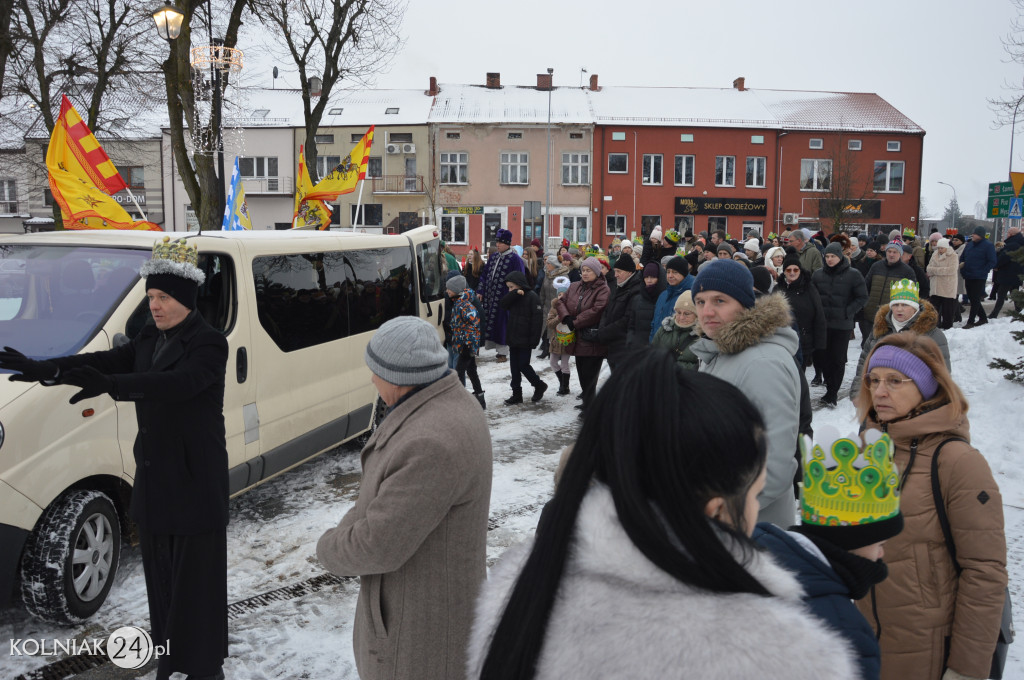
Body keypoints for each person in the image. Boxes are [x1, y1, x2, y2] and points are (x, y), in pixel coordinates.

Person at [467, 353, 858, 680]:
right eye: (756, 494)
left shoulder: (520, 584)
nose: (758, 508)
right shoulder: (779, 654)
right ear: (717, 511)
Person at [0, 237, 230, 680]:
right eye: (151, 297)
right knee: (160, 584)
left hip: (195, 482)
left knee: (195, 586)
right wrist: (47, 368)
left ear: (185, 298)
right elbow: (105, 358)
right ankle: (170, 658)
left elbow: (179, 384)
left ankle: (204, 668)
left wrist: (114, 386)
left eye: (163, 297)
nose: (156, 305)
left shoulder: (209, 344)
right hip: (155, 478)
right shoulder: (150, 336)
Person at [317, 316, 493, 680]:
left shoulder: (431, 443)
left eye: (374, 370)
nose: (371, 378)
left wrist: (328, 547)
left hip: (419, 631)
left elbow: (378, 545)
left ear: (398, 377)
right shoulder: (443, 405)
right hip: (422, 612)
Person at [853, 333, 1007, 680]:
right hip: (868, 640)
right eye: (873, 380)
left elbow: (985, 572)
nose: (879, 392)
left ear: (927, 387)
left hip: (930, 649)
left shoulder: (957, 461)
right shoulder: (870, 450)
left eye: (894, 381)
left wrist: (966, 669)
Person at [754, 426, 905, 680]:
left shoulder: (757, 548)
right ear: (854, 539)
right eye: (880, 543)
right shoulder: (846, 635)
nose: (881, 555)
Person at [690, 260, 802, 527]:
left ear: (744, 304)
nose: (706, 312)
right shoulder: (721, 352)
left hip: (752, 528)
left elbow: (775, 465)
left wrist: (719, 511)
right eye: (700, 301)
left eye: (719, 301)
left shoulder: (762, 362)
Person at [850, 279, 950, 401]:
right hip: (878, 398)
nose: (899, 309)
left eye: (905, 305)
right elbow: (865, 360)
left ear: (915, 308)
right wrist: (858, 392)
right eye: (896, 305)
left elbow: (942, 372)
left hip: (913, 401)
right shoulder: (881, 328)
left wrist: (934, 402)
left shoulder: (931, 334)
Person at [811, 242, 867, 407]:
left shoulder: (853, 275)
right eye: (827, 256)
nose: (829, 259)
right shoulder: (818, 275)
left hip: (842, 326)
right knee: (823, 358)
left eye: (833, 256)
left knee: (837, 359)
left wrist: (847, 312)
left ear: (840, 256)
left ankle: (832, 393)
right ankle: (829, 386)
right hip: (823, 325)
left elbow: (862, 297)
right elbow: (813, 297)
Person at [554, 257, 609, 415]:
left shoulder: (603, 289)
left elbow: (597, 310)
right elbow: (560, 302)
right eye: (583, 270)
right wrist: (566, 318)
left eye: (588, 271)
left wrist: (575, 322)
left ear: (597, 272)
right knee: (581, 372)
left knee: (590, 374)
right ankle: (587, 402)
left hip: (592, 338)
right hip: (577, 337)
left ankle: (590, 406)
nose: (585, 273)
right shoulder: (574, 286)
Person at [499, 271, 547, 404]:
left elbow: (537, 321)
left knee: (523, 365)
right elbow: (503, 304)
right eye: (508, 287)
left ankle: (538, 385)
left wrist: (534, 340)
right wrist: (513, 293)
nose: (509, 290)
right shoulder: (513, 297)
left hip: (526, 339)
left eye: (512, 287)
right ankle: (516, 394)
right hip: (513, 337)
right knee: (514, 367)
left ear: (520, 284)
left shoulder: (532, 297)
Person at [478, 229, 526, 362]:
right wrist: (481, 290)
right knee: (491, 322)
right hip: (490, 297)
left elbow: (520, 279)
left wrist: (514, 295)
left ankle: (502, 353)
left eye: (500, 242)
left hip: (505, 299)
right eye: (497, 242)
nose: (497, 245)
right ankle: (491, 346)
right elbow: (484, 275)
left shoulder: (515, 260)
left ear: (507, 243)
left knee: (503, 324)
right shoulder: (493, 257)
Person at [776, 254, 826, 371]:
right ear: (784, 272)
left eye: (795, 270)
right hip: (782, 341)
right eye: (788, 270)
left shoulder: (809, 289)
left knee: (799, 374)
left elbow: (819, 315)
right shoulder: (778, 289)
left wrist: (819, 343)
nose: (792, 273)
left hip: (804, 340)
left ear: (800, 270)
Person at [446, 275, 486, 409]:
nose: (447, 291)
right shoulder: (459, 302)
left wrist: (468, 345)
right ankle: (480, 398)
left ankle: (460, 401)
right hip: (463, 343)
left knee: (459, 372)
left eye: (449, 289)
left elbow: (473, 326)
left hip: (467, 345)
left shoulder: (465, 305)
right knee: (472, 371)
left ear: (457, 290)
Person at [597, 254, 643, 367]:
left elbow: (627, 320)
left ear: (629, 272)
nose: (615, 275)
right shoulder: (620, 286)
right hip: (613, 346)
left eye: (619, 271)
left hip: (624, 348)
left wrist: (605, 332)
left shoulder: (636, 290)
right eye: (615, 271)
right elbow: (607, 310)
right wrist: (602, 328)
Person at [862, 241, 916, 338]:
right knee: (867, 344)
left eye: (895, 252)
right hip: (870, 314)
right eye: (889, 251)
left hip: (890, 316)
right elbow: (865, 287)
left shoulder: (907, 271)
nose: (891, 254)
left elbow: (912, 295)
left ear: (900, 254)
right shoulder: (876, 266)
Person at [651, 290, 701, 370]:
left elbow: (700, 368)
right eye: (678, 312)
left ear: (697, 315)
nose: (681, 317)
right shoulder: (664, 330)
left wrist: (672, 368)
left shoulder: (702, 337)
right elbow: (651, 356)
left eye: (686, 314)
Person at [649, 255, 693, 342]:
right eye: (668, 272)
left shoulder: (690, 296)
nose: (670, 275)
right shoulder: (663, 295)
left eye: (675, 272)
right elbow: (654, 323)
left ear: (684, 274)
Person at [960, 226, 996, 328]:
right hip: (968, 274)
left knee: (975, 299)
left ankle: (970, 321)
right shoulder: (969, 244)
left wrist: (983, 271)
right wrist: (963, 270)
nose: (973, 235)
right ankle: (983, 318)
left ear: (980, 235)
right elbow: (962, 258)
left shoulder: (988, 245)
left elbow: (992, 261)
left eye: (975, 234)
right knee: (972, 298)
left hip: (979, 276)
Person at [545, 275, 575, 396]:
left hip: (567, 339)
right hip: (556, 340)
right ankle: (562, 382)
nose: (561, 297)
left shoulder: (572, 308)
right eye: (559, 295)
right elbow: (549, 324)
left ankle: (565, 387)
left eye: (563, 294)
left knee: (564, 364)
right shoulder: (554, 308)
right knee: (553, 362)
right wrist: (558, 317)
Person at [537, 254, 569, 359]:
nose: (546, 265)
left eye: (548, 264)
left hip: (557, 307)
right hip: (546, 306)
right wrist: (540, 303)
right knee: (545, 330)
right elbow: (542, 290)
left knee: (555, 330)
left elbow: (566, 294)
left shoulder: (562, 276)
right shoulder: (547, 274)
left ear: (554, 265)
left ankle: (556, 352)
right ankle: (546, 349)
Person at [626, 261, 665, 347]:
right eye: (646, 277)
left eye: (653, 277)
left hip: (657, 349)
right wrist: (630, 341)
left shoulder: (664, 298)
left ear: (659, 278)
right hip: (638, 349)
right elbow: (631, 325)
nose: (649, 280)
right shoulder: (637, 299)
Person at [926, 238, 959, 330]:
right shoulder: (934, 254)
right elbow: (928, 269)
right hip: (935, 286)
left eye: (942, 248)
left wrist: (935, 271)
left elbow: (951, 270)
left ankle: (947, 328)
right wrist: (939, 271)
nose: (940, 250)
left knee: (947, 310)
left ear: (946, 247)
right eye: (938, 248)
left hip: (947, 287)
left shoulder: (953, 256)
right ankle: (933, 327)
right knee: (934, 309)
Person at [991, 225, 1023, 319]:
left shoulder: (1012, 245)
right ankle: (1019, 312)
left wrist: (996, 265)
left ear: (1012, 234)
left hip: (1008, 273)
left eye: (1008, 233)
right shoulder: (1020, 243)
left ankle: (994, 314)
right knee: (1014, 294)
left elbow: (1004, 258)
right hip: (1017, 273)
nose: (1007, 234)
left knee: (1001, 294)